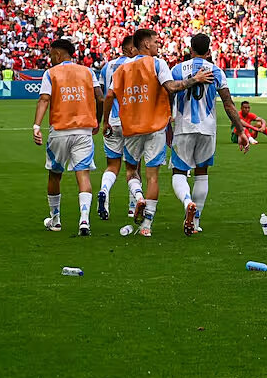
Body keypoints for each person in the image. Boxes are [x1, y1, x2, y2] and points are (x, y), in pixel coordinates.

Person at [102, 28, 210, 237]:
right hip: (156, 127)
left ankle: (138, 197)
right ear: (145, 45)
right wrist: (194, 79)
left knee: (132, 171)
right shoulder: (157, 63)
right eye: (155, 42)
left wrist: (106, 121)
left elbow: (108, 96)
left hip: (131, 128)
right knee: (153, 177)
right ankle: (146, 226)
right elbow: (172, 87)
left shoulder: (121, 69)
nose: (158, 45)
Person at [169, 34, 249, 235]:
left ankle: (188, 202)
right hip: (207, 129)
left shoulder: (177, 70)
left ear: (190, 48)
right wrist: (240, 130)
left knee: (179, 172)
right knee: (202, 173)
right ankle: (195, 222)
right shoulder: (217, 71)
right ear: (208, 50)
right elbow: (229, 104)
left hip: (183, 128)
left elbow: (167, 95)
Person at [32, 39, 104, 236]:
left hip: (60, 131)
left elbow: (44, 99)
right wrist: (97, 120)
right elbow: (100, 98)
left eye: (50, 54)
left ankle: (55, 220)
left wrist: (37, 125)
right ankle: (84, 221)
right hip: (83, 131)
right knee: (83, 174)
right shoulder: (88, 72)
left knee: (55, 174)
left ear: (57, 54)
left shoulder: (51, 73)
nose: (49, 58)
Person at [97, 35, 137, 220]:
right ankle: (133, 206)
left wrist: (102, 121)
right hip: (131, 121)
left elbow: (103, 97)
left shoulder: (106, 67)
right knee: (133, 168)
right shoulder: (135, 65)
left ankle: (104, 190)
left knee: (112, 166)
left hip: (111, 121)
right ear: (130, 49)